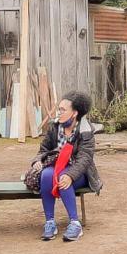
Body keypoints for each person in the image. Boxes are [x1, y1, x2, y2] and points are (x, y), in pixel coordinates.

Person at [32, 91, 102, 242]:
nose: (59, 112)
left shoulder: (85, 130)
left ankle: (75, 224)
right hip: (56, 166)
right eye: (59, 109)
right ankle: (50, 222)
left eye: (63, 110)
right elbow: (43, 150)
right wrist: (38, 160)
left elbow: (85, 158)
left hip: (80, 172)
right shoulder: (55, 127)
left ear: (74, 113)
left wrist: (70, 175)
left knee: (62, 176)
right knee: (46, 175)